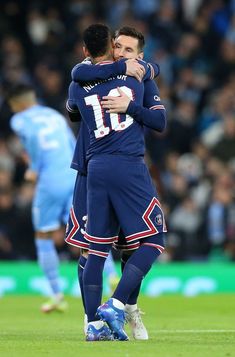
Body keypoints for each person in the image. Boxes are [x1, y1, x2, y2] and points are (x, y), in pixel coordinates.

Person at [67, 23, 167, 341]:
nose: (121, 52)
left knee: (125, 247)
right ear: (111, 46)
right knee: (94, 250)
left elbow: (159, 120)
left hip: (99, 166)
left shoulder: (140, 76)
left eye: (128, 50)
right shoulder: (132, 75)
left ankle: (126, 312)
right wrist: (128, 69)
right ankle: (98, 315)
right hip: (103, 168)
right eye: (118, 47)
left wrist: (135, 94)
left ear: (139, 55)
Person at [6, 84, 76, 313]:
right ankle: (111, 275)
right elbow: (72, 144)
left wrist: (34, 168)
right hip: (73, 174)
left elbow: (34, 141)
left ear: (17, 104)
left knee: (43, 234)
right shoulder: (53, 115)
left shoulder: (19, 120)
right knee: (85, 231)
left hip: (51, 179)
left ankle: (56, 295)